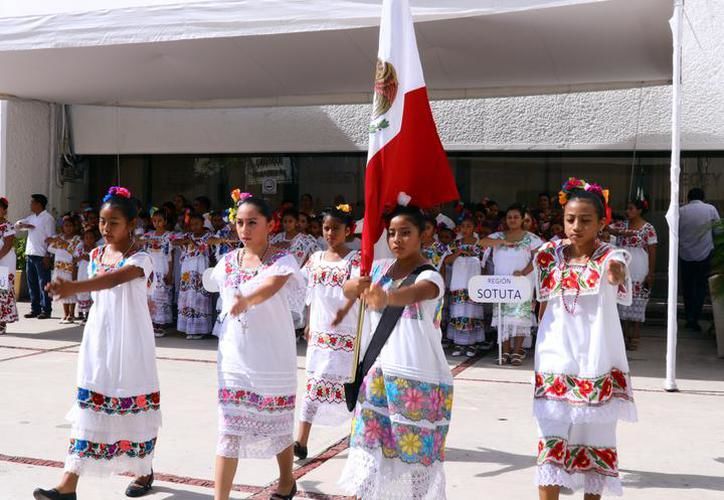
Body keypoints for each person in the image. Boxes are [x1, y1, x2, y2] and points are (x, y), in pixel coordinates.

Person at [34, 186, 161, 500]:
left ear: (131, 224)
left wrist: (74, 286)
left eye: (114, 222)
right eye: (103, 222)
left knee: (132, 405)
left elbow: (114, 279)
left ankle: (144, 470)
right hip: (99, 341)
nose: (106, 228)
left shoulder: (142, 258)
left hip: (131, 344)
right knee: (90, 406)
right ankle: (69, 483)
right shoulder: (94, 254)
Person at [339, 204, 453, 500]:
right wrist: (355, 285)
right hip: (377, 375)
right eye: (392, 234)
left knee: (414, 459)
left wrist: (387, 296)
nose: (397, 240)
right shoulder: (378, 269)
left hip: (417, 381)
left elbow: (417, 293)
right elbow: (348, 287)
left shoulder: (431, 275)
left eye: (405, 233)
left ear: (422, 234)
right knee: (367, 450)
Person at [533, 178, 635, 499]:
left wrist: (616, 273)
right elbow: (544, 301)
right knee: (549, 442)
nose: (576, 226)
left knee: (595, 441)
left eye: (586, 220)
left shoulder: (609, 255)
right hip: (554, 355)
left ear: (602, 222)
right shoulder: (550, 253)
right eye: (570, 219)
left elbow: (617, 269)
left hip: (595, 358)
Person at [210, 193, 304, 500]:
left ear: (270, 224)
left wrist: (245, 299)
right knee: (228, 429)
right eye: (239, 223)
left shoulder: (283, 260)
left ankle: (286, 481)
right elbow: (214, 285)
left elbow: (270, 286)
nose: (244, 229)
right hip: (235, 357)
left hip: (271, 356)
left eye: (252, 222)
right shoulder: (226, 262)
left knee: (277, 425)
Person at [294, 206, 360, 460]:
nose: (330, 233)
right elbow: (308, 293)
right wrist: (310, 323)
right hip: (320, 333)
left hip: (347, 332)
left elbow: (357, 296)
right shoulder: (315, 258)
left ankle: (357, 434)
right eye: (326, 228)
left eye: (335, 228)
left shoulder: (354, 260)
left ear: (347, 231)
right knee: (314, 384)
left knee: (349, 386)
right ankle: (301, 440)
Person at [487, 204, 544, 366]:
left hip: (522, 283)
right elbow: (482, 243)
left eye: (516, 217)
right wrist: (502, 241)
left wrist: (524, 271)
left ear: (522, 219)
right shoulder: (498, 236)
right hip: (501, 283)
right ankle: (504, 352)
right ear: (505, 219)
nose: (512, 220)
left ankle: (517, 351)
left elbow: (539, 257)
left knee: (520, 317)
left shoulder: (531, 238)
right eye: (509, 217)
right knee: (503, 317)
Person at [609, 199, 657, 350]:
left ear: (639, 211)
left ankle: (635, 334)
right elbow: (604, 227)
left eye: (631, 209)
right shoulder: (621, 225)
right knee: (622, 299)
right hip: (622, 266)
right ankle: (623, 334)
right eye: (627, 209)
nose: (627, 211)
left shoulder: (648, 228)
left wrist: (651, 273)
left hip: (640, 266)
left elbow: (652, 252)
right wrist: (618, 231)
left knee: (639, 300)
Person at [678, 188, 720, 332]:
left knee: (688, 287)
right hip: (705, 253)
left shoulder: (681, 211)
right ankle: (695, 317)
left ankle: (689, 317)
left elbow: (674, 231)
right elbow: (718, 231)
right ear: (703, 197)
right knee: (701, 287)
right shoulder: (710, 209)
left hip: (685, 254)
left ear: (689, 198)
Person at [14, 194, 56, 319]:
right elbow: (17, 225)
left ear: (39, 204)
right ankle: (35, 309)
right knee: (32, 283)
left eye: (32, 203)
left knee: (43, 283)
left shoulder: (48, 218)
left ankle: (46, 309)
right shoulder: (32, 217)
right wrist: (24, 225)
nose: (30, 205)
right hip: (30, 254)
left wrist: (48, 255)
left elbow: (51, 237)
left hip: (42, 254)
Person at [173, 213, 213, 340]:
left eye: (197, 224)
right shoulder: (187, 235)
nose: (194, 227)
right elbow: (174, 241)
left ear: (203, 224)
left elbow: (202, 250)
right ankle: (188, 328)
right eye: (192, 225)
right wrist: (184, 240)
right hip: (187, 268)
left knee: (199, 295)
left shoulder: (208, 236)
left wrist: (191, 242)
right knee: (188, 295)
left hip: (200, 267)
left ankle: (200, 329)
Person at [141, 210, 175, 336]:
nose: (157, 223)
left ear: (165, 221)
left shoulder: (168, 236)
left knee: (161, 295)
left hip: (162, 266)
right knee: (150, 295)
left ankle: (160, 324)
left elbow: (170, 255)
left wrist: (170, 272)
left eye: (160, 220)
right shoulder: (148, 235)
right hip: (150, 267)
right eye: (154, 221)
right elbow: (139, 244)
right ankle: (150, 323)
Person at [46, 214, 83, 324]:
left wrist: (64, 244)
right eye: (66, 226)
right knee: (61, 290)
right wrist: (54, 240)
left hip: (70, 268)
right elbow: (50, 248)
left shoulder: (78, 240)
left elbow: (76, 253)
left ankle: (72, 314)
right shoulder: (60, 237)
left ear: (74, 227)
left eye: (70, 226)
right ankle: (65, 313)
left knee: (70, 290)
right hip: (59, 268)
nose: (68, 228)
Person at [0, 197, 19, 334]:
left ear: (4, 210)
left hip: (5, 262)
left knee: (2, 291)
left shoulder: (8, 226)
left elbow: (7, 246)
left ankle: (2, 323)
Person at [75, 230, 97, 324]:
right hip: (82, 273)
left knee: (92, 293)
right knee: (83, 293)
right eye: (86, 238)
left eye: (91, 238)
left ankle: (92, 315)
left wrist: (87, 257)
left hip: (93, 274)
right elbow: (75, 259)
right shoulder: (80, 248)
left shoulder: (97, 249)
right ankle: (86, 314)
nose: (89, 240)